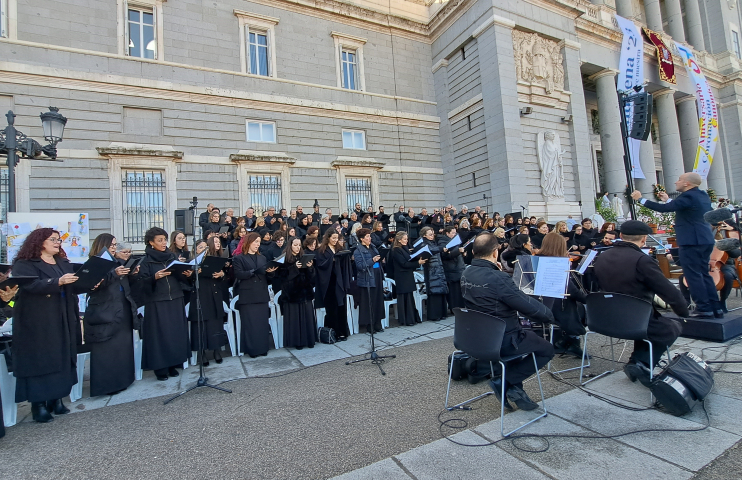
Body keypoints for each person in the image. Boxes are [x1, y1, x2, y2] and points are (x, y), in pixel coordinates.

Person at [461, 233, 555, 411]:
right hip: (503, 339)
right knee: (547, 349)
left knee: (519, 346)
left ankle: (515, 389)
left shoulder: (466, 273)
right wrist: (548, 315)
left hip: (475, 337)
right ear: (495, 253)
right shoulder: (498, 278)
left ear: (473, 252)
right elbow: (526, 305)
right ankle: (505, 381)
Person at [593, 220, 687, 385]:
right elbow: (668, 290)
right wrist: (683, 312)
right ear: (644, 239)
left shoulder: (602, 256)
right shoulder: (642, 260)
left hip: (604, 317)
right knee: (671, 328)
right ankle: (642, 363)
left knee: (649, 325)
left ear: (620, 236)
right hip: (635, 318)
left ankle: (636, 362)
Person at [12, 228, 84, 422]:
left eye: (59, 239)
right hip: (38, 320)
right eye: (52, 239)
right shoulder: (24, 263)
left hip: (63, 315)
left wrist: (88, 282)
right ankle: (38, 404)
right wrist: (57, 282)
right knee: (42, 358)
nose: (57, 242)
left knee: (61, 355)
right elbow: (30, 286)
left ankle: (57, 398)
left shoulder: (63, 262)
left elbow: (73, 284)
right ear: (39, 242)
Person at [631, 173, 720, 318]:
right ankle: (716, 307)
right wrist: (667, 200)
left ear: (687, 184)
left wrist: (640, 199)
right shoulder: (702, 195)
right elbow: (683, 207)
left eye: (679, 180)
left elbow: (665, 209)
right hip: (704, 239)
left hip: (692, 240)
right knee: (704, 273)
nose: (676, 182)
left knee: (693, 275)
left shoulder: (688, 196)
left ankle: (703, 307)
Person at [84, 234, 139, 397]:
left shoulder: (117, 262)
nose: (114, 247)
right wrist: (114, 273)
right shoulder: (94, 262)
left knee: (122, 347)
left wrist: (133, 274)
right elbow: (92, 285)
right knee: (107, 350)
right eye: (111, 245)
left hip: (122, 306)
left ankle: (123, 380)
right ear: (102, 245)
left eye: (115, 244)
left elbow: (127, 285)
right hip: (104, 310)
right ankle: (107, 385)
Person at [137, 227, 192, 381]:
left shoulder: (172, 256)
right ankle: (160, 368)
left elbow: (180, 278)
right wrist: (154, 277)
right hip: (157, 301)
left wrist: (187, 274)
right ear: (151, 242)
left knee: (175, 334)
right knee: (160, 336)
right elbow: (141, 284)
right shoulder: (146, 260)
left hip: (175, 298)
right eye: (159, 240)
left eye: (164, 240)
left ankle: (173, 364)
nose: (163, 243)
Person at [535, 233, 587, 357]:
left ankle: (567, 340)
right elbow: (572, 291)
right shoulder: (556, 264)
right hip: (554, 305)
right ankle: (573, 340)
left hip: (537, 303)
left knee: (573, 303)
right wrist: (588, 299)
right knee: (578, 305)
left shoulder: (535, 259)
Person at [232, 232, 278, 357]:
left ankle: (263, 348)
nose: (258, 244)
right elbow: (239, 274)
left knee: (262, 323)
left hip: (261, 294)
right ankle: (252, 350)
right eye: (256, 241)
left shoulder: (262, 258)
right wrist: (253, 272)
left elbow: (266, 277)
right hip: (248, 295)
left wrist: (270, 272)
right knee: (251, 324)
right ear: (249, 242)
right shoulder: (239, 258)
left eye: (259, 242)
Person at [188, 238, 228, 366]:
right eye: (200, 247)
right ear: (195, 250)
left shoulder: (212, 260)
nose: (204, 250)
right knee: (201, 326)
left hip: (214, 295)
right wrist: (194, 274)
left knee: (215, 324)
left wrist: (221, 274)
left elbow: (221, 279)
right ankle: (202, 354)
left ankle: (217, 350)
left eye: (205, 247)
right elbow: (186, 281)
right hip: (199, 296)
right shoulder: (191, 263)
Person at [277, 238, 316, 349]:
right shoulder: (284, 259)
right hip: (292, 293)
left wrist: (310, 267)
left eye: (299, 245)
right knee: (295, 319)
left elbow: (311, 277)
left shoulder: (303, 257)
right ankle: (297, 342)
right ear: (290, 246)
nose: (298, 247)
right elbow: (282, 276)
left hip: (305, 292)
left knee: (307, 316)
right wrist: (294, 268)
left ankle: (309, 340)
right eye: (295, 245)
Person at [315, 230, 351, 340]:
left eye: (337, 238)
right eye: (333, 238)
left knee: (341, 307)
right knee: (332, 309)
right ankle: (333, 332)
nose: (335, 240)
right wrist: (332, 260)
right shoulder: (322, 250)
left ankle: (342, 332)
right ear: (328, 238)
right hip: (329, 283)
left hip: (340, 282)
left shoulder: (339, 249)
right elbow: (320, 265)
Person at [354, 228, 385, 332]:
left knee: (378, 300)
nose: (369, 238)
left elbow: (378, 259)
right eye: (367, 236)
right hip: (368, 277)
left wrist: (381, 259)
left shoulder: (373, 247)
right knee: (370, 302)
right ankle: (369, 325)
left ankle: (378, 323)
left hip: (377, 275)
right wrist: (372, 260)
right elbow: (360, 266)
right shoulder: (358, 251)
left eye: (369, 236)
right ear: (362, 239)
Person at [390, 231, 424, 326]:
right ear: (399, 240)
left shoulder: (404, 248)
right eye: (404, 239)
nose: (406, 241)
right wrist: (418, 263)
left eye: (407, 239)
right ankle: (406, 319)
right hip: (402, 276)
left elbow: (409, 259)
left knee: (409, 297)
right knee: (404, 298)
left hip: (407, 275)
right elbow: (403, 263)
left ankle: (411, 318)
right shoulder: (396, 250)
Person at [419, 226, 448, 321]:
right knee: (434, 291)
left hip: (438, 268)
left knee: (440, 291)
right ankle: (434, 315)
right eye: (430, 234)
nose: (432, 236)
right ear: (424, 235)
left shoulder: (433, 242)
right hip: (431, 270)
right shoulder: (423, 243)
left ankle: (442, 313)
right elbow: (430, 251)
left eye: (433, 234)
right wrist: (441, 248)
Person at [438, 226, 465, 313]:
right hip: (451, 268)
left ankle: (460, 306)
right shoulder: (442, 241)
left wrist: (463, 253)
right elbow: (445, 255)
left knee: (459, 290)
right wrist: (458, 252)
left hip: (458, 268)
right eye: (453, 233)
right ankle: (454, 308)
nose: (455, 234)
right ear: (447, 233)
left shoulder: (455, 241)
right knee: (453, 291)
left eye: (455, 233)